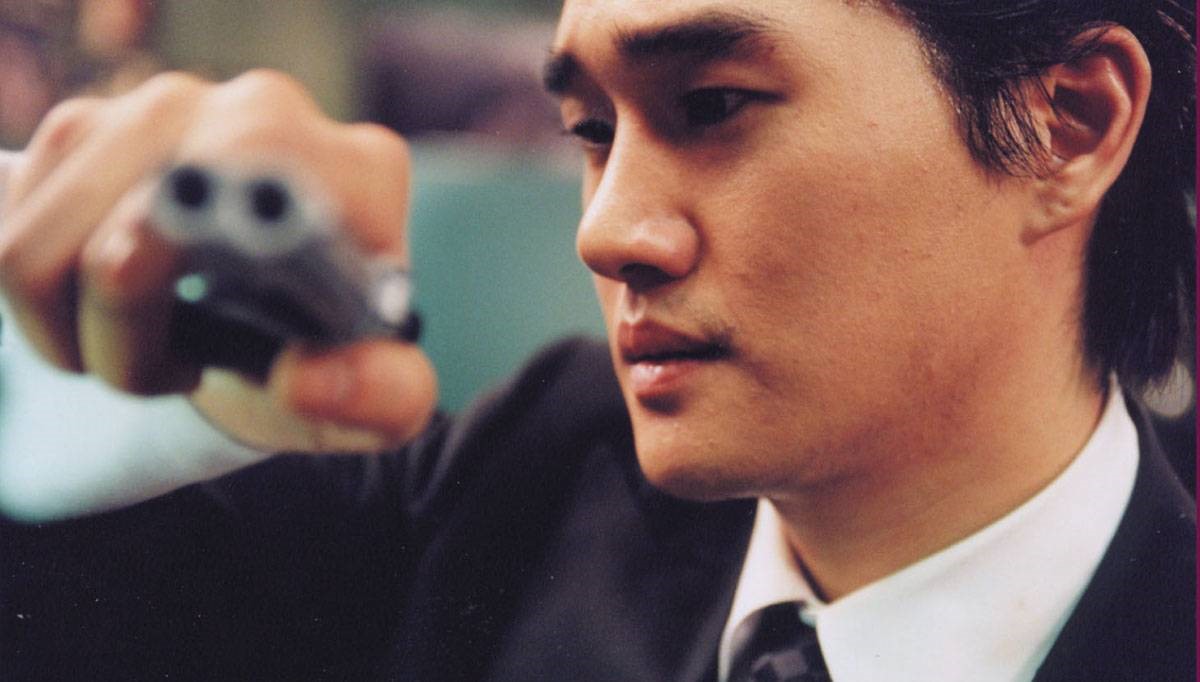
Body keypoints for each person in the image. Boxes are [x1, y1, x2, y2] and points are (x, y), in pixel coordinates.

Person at [0, 1, 1193, 680]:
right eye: (590, 129)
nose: (606, 229)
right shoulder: (524, 481)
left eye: (712, 106)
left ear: (1068, 124)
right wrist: (90, 380)